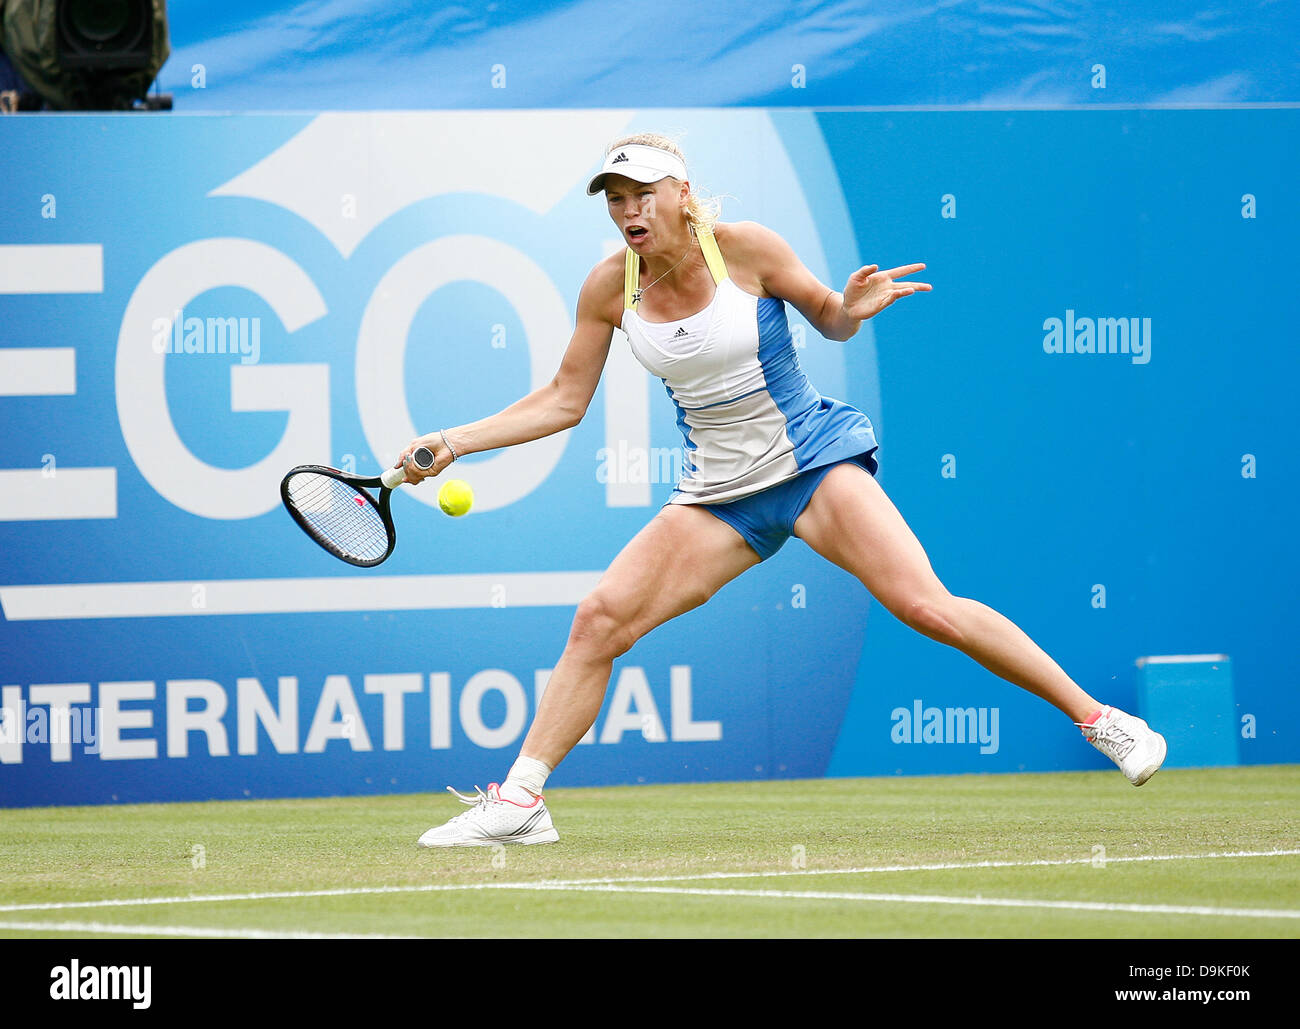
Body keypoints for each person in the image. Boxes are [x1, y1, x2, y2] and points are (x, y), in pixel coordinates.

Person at [399, 134, 1166, 847]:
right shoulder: (610, 286)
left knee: (927, 605)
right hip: (719, 494)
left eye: (642, 194)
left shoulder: (746, 249)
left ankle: (1103, 721)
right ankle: (523, 801)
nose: (629, 211)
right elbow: (564, 399)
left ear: (682, 193)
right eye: (615, 198)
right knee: (600, 618)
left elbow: (829, 319)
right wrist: (454, 440)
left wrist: (850, 309)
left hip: (811, 463)